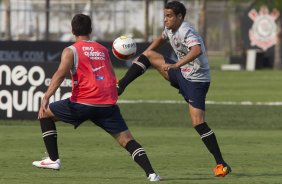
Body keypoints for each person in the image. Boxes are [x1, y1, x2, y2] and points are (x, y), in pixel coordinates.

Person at [32, 14, 160, 182]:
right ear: (91, 30)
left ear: (72, 31)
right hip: (107, 105)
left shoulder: (71, 50)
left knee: (45, 114)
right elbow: (111, 76)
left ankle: (53, 159)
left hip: (82, 103)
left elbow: (60, 74)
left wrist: (47, 95)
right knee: (127, 141)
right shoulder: (102, 50)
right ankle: (152, 174)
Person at [117, 1, 231, 177]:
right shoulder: (170, 28)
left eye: (169, 16)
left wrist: (176, 64)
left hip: (196, 81)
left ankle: (221, 164)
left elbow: (196, 50)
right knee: (148, 55)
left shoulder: (186, 30)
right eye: (165, 15)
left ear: (179, 17)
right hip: (181, 73)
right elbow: (161, 38)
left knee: (198, 123)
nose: (166, 19)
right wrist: (144, 53)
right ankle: (121, 85)